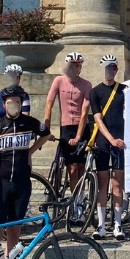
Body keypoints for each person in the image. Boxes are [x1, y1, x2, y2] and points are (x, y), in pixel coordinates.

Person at [0, 84, 49, 259]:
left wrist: (30, 152)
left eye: (17, 102)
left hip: (22, 182)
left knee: (15, 228)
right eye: (10, 102)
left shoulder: (29, 122)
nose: (14, 105)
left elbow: (46, 133)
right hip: (1, 183)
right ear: (4, 104)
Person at [43, 51, 92, 218]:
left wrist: (78, 137)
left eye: (79, 65)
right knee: (72, 168)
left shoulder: (86, 84)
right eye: (73, 65)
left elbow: (85, 112)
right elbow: (49, 104)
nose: (76, 68)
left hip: (81, 126)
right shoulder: (59, 80)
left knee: (80, 168)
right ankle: (74, 200)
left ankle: (79, 201)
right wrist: (46, 129)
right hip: (66, 127)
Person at [89, 54, 127, 239]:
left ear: (116, 70)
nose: (110, 70)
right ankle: (102, 224)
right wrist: (111, 139)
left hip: (121, 141)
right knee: (102, 183)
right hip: (104, 142)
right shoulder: (95, 92)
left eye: (113, 67)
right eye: (107, 67)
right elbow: (97, 119)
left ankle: (118, 224)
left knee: (118, 183)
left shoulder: (124, 90)